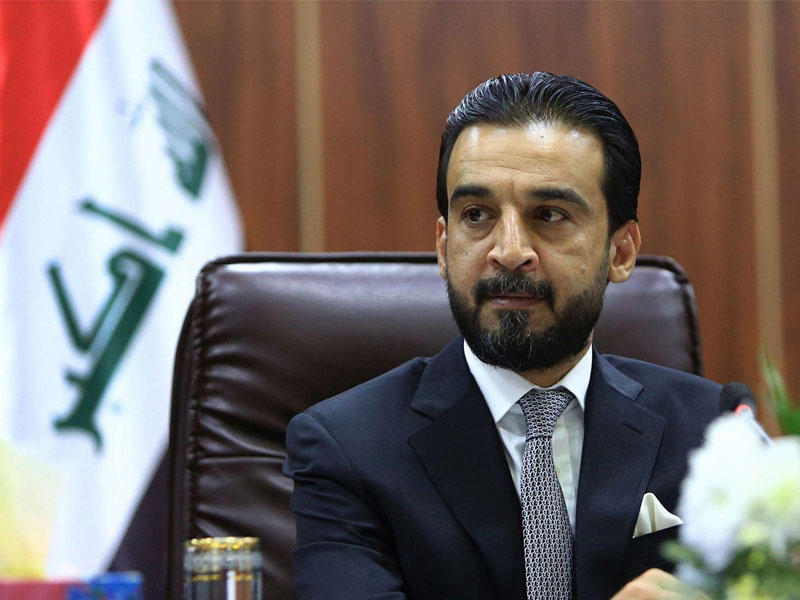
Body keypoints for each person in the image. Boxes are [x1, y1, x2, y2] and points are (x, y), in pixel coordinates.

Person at [283, 72, 716, 599]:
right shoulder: (346, 448)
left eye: (549, 215)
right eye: (477, 215)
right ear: (444, 246)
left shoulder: (713, 431)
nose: (509, 251)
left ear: (621, 252)